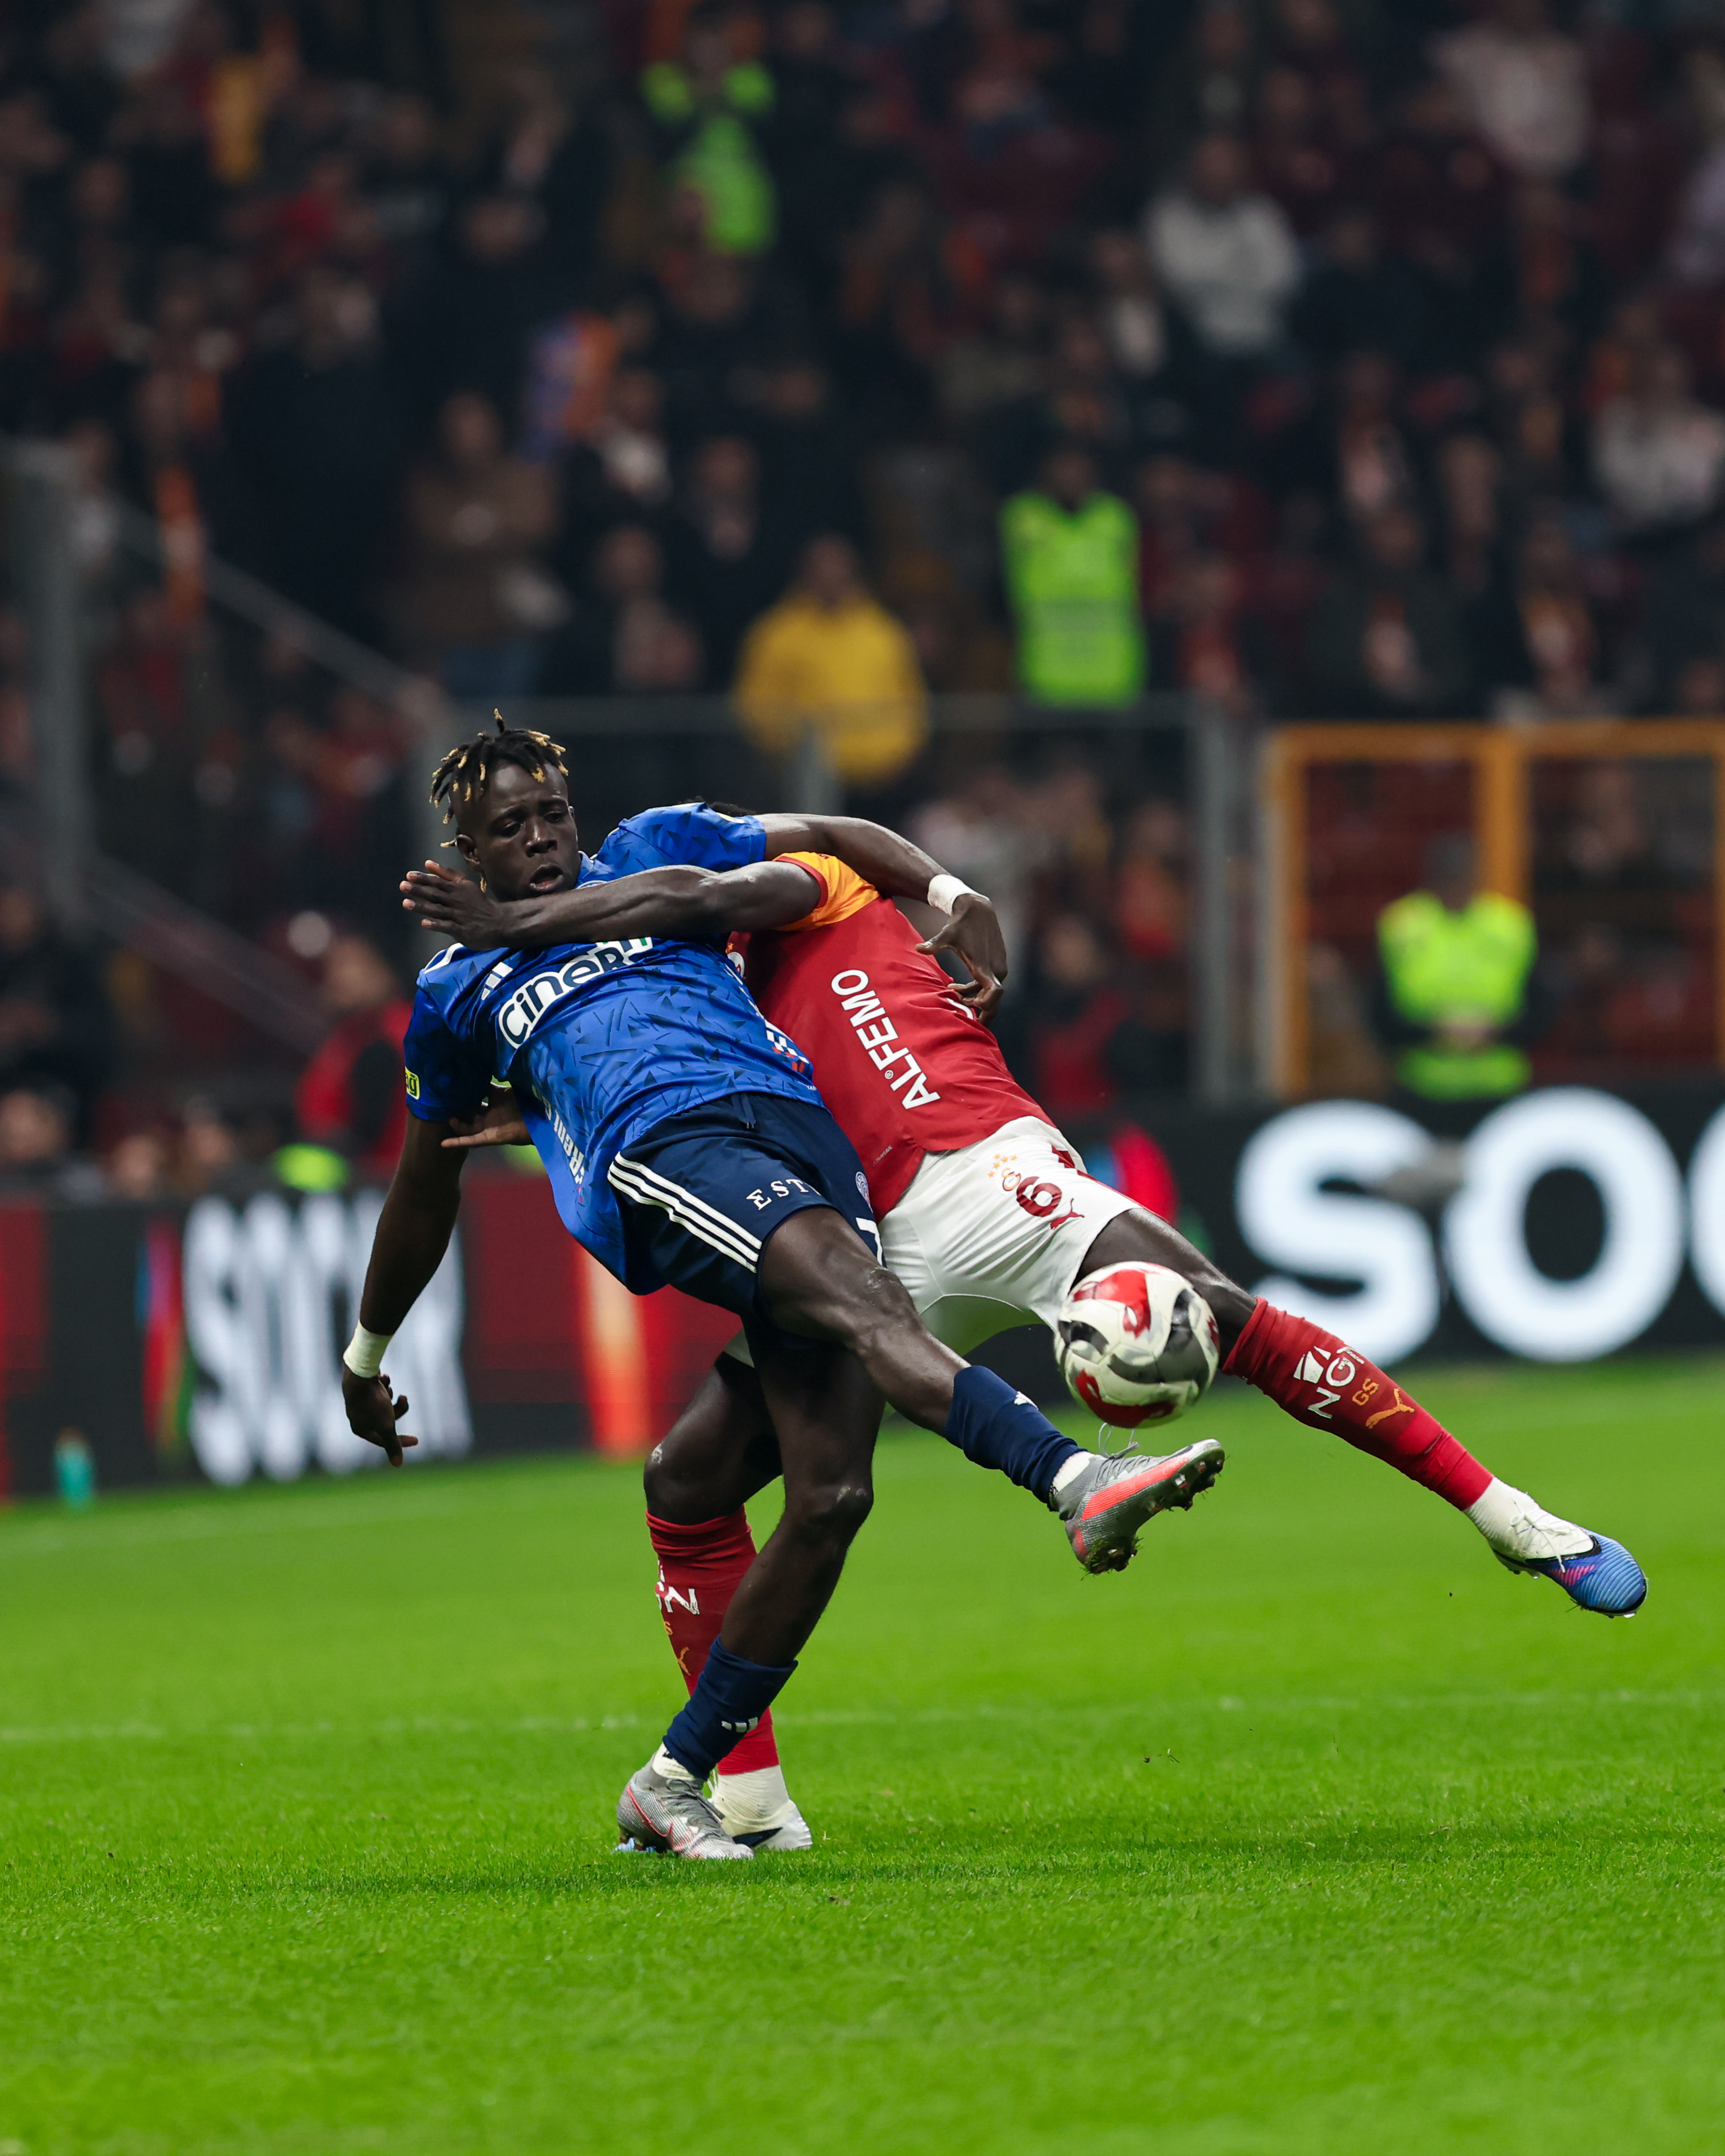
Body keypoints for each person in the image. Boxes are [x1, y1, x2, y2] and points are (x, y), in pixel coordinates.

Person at [442, 805, 1648, 1852]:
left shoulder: (804, 890)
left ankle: (1513, 1518)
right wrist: (549, 1092)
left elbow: (753, 869)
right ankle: (742, 1796)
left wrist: (945, 889)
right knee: (711, 1486)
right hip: (850, 1239)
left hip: (980, 1170)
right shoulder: (687, 983)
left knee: (1222, 1312)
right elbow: (635, 1008)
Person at [361, 721, 1223, 1862]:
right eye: (507, 827)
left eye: (550, 813)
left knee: (829, 1496)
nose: (538, 838)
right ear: (468, 852)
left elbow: (827, 833)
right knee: (873, 1305)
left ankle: (675, 1781)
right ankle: (1075, 1478)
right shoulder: (457, 988)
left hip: (801, 1135)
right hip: (666, 1143)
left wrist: (946, 888)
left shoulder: (651, 850)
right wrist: (366, 1353)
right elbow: (424, 1186)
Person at [734, 534, 929, 790]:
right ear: (806, 572)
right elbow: (757, 705)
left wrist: (899, 752)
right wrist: (789, 751)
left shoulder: (883, 632)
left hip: (885, 779)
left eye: (838, 566)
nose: (831, 575)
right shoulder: (777, 633)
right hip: (806, 780)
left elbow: (910, 698)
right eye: (822, 567)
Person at [1371, 833, 1547, 1112]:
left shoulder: (1511, 926)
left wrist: (1495, 1031)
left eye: (1463, 878)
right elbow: (1380, 1010)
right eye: (1449, 879)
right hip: (1421, 1087)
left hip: (1499, 1085)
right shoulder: (1401, 926)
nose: (1457, 888)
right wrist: (1432, 1031)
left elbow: (1540, 1006)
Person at [1000, 444, 1145, 708]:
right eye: (1063, 466)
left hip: (1114, 677)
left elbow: (1135, 589)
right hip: (1045, 676)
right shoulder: (1023, 517)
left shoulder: (1116, 518)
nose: (1070, 475)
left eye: (1077, 466)